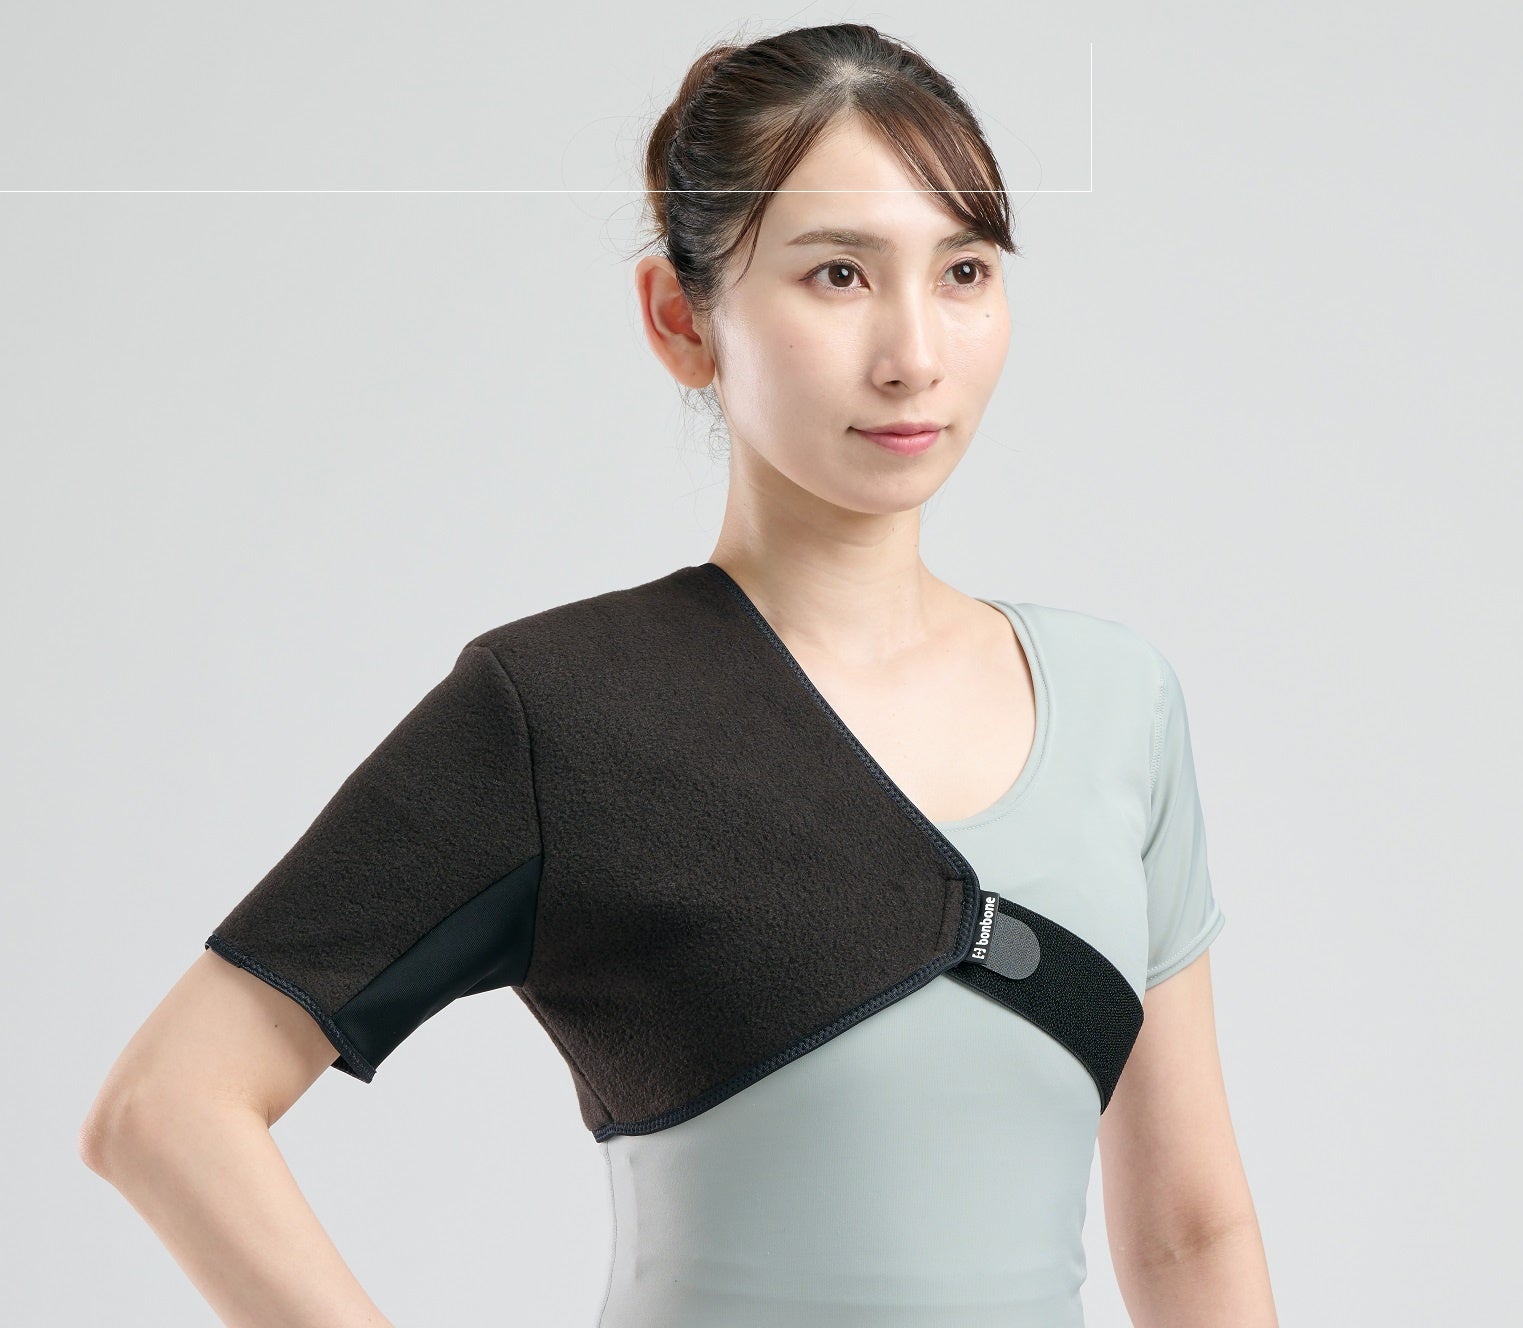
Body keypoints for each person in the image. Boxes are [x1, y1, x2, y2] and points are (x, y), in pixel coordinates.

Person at [77, 22, 1277, 1328]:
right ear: (679, 319)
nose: (914, 353)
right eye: (837, 274)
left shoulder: (1117, 704)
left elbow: (1189, 1234)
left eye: (963, 271)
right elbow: (167, 1109)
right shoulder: (561, 711)